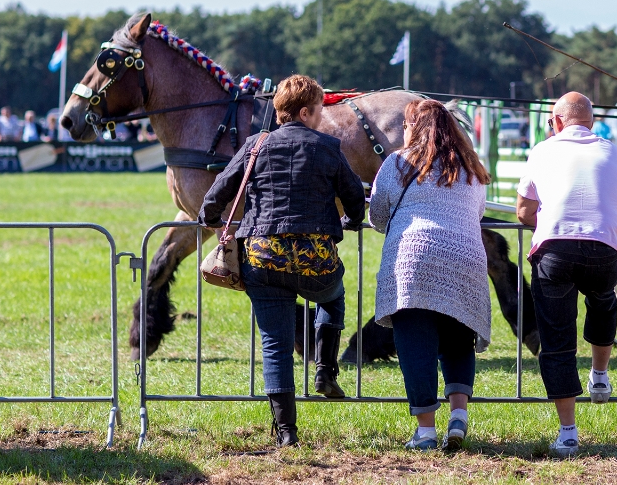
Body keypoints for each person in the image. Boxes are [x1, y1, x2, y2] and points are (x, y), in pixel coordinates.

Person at [198, 74, 365, 447]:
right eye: (320, 110)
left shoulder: (256, 145)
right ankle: (324, 370)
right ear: (305, 111)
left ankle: (286, 434)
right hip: (314, 258)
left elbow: (219, 190)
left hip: (263, 257)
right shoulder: (327, 146)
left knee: (275, 343)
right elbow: (354, 196)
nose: (322, 117)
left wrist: (210, 219)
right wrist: (351, 221)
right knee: (333, 299)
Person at [516, 92, 617, 457]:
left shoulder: (542, 150)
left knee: (556, 339)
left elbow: (523, 211)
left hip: (554, 250)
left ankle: (568, 432)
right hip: (603, 248)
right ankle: (600, 375)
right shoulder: (613, 151)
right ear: (591, 120)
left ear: (556, 122)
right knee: (603, 301)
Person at [368, 99, 492, 451]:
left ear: (414, 129)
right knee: (456, 340)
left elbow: (378, 215)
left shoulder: (398, 163)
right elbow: (478, 212)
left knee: (416, 345)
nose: (403, 131)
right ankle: (458, 416)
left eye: (406, 125)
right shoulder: (472, 169)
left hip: (414, 260)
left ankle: (425, 432)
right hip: (465, 260)